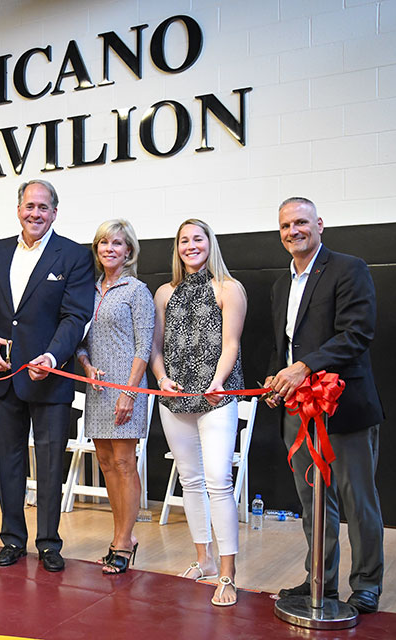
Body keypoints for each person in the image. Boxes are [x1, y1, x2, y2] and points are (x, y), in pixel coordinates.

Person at [264, 196, 385, 614]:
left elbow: (357, 334)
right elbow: (285, 345)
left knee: (358, 500)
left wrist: (302, 367)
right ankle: (322, 579)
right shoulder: (282, 284)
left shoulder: (349, 268)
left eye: (300, 222)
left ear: (319, 224)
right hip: (297, 412)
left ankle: (367, 583)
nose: (293, 231)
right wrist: (276, 376)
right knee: (314, 501)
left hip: (344, 409)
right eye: (285, 226)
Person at [0, 179, 93, 572]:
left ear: (54, 213)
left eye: (43, 207)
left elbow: (76, 316)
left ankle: (48, 543)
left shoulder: (75, 256)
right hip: (4, 375)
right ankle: (12, 538)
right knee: (7, 463)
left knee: (48, 465)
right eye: (29, 206)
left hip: (51, 376)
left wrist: (52, 355)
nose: (35, 213)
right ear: (18, 209)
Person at [149, 218, 247, 606]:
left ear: (210, 243)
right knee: (190, 480)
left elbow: (232, 343)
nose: (191, 246)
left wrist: (218, 381)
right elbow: (155, 347)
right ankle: (203, 560)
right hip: (174, 399)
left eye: (197, 239)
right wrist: (160, 378)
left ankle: (228, 572)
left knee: (218, 480)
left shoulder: (229, 288)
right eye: (184, 241)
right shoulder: (164, 292)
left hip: (215, 398)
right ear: (177, 247)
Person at [75, 219, 154, 574]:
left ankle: (123, 542)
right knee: (106, 464)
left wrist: (130, 393)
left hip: (126, 390)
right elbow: (78, 340)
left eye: (117, 243)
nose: (110, 249)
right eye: (104, 242)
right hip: (98, 389)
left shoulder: (137, 290)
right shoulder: (86, 289)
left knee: (124, 463)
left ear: (129, 251)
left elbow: (144, 346)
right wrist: (86, 365)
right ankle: (122, 534)